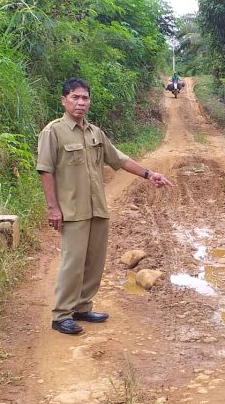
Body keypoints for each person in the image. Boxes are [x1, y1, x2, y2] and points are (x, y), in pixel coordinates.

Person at [37, 77, 174, 335]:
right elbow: (45, 170)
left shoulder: (94, 133)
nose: (80, 102)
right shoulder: (53, 132)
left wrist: (149, 174)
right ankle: (61, 315)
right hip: (72, 210)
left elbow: (119, 159)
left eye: (85, 98)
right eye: (75, 97)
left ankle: (82, 307)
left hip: (97, 207)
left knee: (94, 262)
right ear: (63, 100)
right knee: (73, 262)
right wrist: (52, 208)